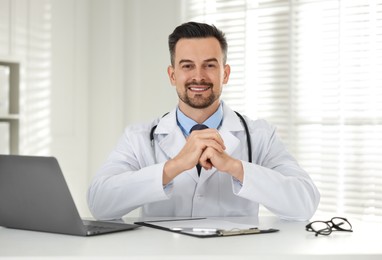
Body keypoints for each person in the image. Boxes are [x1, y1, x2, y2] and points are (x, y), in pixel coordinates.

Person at [87, 22, 320, 221]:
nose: (198, 76)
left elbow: (304, 204)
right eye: (187, 66)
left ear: (225, 74)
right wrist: (174, 166)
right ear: (172, 75)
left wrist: (234, 167)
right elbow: (100, 203)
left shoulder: (260, 135)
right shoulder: (139, 137)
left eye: (209, 65)